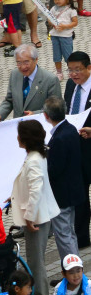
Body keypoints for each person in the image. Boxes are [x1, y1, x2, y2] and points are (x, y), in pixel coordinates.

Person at [11, 119, 60, 295]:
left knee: (35, 263)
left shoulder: (33, 160)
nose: (17, 138)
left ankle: (40, 294)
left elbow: (36, 191)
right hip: (42, 215)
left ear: (25, 139)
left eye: (19, 135)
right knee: (36, 261)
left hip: (37, 218)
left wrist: (29, 218)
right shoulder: (38, 155)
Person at [44, 96, 84, 259]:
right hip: (71, 190)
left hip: (62, 195)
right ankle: (75, 268)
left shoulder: (59, 138)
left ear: (46, 116)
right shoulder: (70, 129)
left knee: (63, 235)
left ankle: (72, 272)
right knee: (69, 233)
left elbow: (55, 169)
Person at [0, 44, 62, 122]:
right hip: (18, 127)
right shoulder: (15, 74)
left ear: (36, 59)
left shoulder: (50, 80)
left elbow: (56, 108)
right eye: (19, 63)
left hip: (39, 127)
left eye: (26, 62)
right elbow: (9, 100)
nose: (23, 67)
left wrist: (35, 114)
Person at [65, 51, 91, 248]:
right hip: (76, 149)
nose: (73, 74)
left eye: (78, 70)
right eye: (70, 70)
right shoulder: (69, 85)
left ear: (89, 68)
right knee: (80, 195)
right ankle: (82, 238)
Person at [49, 0, 78, 81]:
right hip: (55, 36)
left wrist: (65, 26)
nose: (56, 1)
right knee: (56, 56)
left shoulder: (71, 10)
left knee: (68, 56)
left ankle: (71, 71)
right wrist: (52, 24)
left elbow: (75, 22)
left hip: (66, 36)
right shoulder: (53, 9)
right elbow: (49, 19)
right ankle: (59, 72)